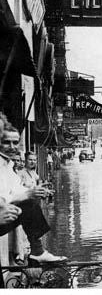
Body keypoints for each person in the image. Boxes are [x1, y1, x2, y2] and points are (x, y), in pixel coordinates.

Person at [0, 113, 67, 264]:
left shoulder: (8, 165)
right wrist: (27, 194)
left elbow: (16, 190)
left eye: (15, 143)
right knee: (28, 203)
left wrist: (34, 191)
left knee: (29, 203)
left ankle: (37, 251)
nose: (12, 147)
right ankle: (37, 252)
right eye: (6, 142)